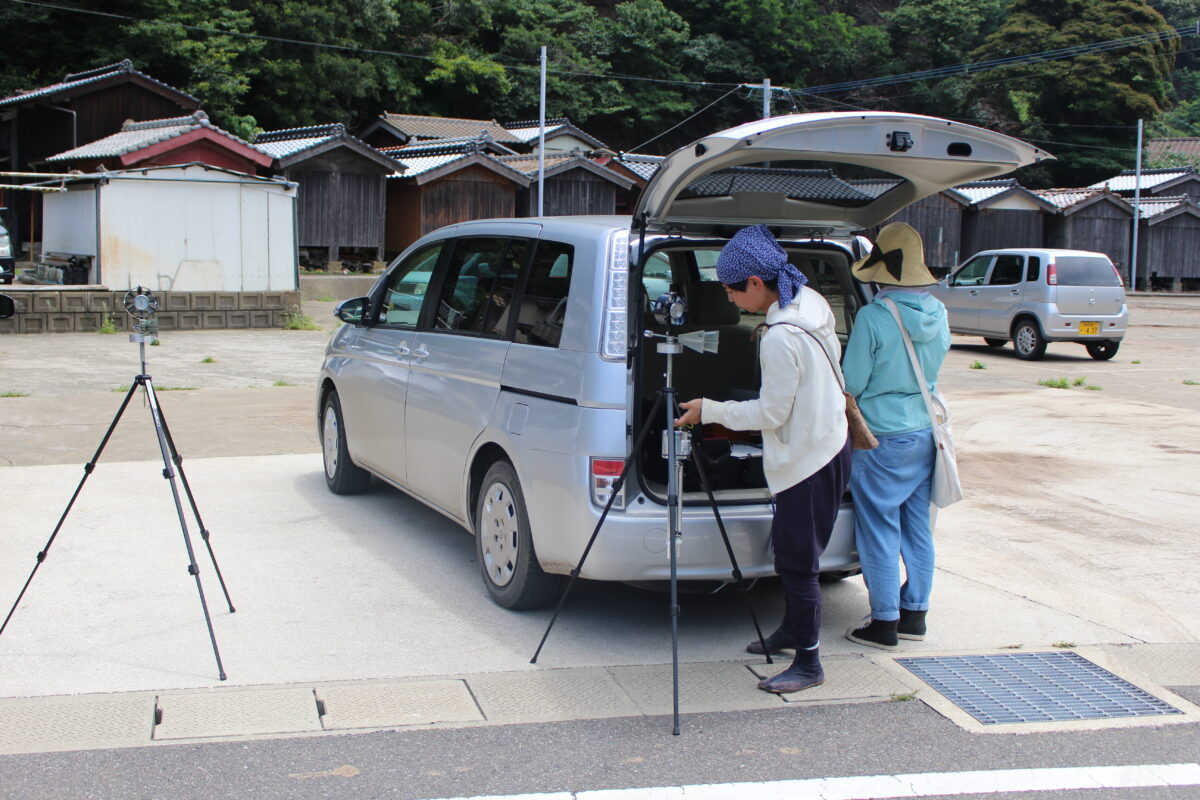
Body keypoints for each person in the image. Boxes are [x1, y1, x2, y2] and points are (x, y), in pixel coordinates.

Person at [674, 224, 851, 694]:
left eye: (731, 290)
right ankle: (793, 632)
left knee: (798, 563)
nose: (729, 300)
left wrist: (708, 409)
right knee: (796, 554)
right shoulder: (808, 302)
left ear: (756, 283)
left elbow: (771, 413)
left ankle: (809, 663)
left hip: (808, 459)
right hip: (829, 443)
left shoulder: (778, 337)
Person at [841, 222, 950, 650]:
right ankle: (915, 616)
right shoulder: (939, 312)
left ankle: (883, 621)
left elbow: (852, 383)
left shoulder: (873, 317)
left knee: (879, 528)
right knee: (917, 528)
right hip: (926, 431)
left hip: (881, 438)